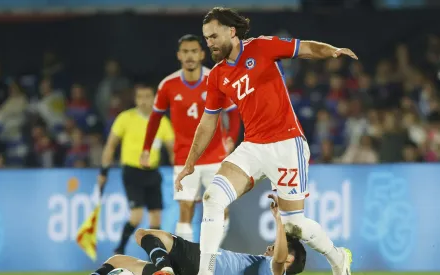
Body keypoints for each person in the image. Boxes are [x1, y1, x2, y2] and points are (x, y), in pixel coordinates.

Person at [174, 7, 357, 275]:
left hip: (286, 145)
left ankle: (337, 257)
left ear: (231, 31)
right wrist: (191, 162)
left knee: (294, 225)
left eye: (213, 36)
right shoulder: (217, 75)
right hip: (253, 147)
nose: (209, 42)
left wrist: (332, 50)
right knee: (213, 197)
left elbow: (304, 48)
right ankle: (205, 272)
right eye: (206, 38)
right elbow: (208, 121)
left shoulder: (262, 47)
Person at [141, 34, 240, 242]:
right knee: (186, 209)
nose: (190, 56)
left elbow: (233, 111)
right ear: (179, 55)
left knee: (220, 207)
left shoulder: (216, 78)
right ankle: (188, 262)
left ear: (202, 54)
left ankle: (211, 254)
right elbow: (155, 118)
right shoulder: (168, 85)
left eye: (194, 51)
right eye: (185, 51)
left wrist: (231, 137)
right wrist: (146, 149)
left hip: (215, 156)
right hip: (184, 157)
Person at [90, 194, 306, 275]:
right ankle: (164, 270)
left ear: (288, 259)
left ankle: (164, 269)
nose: (272, 246)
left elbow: (277, 257)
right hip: (193, 265)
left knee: (144, 234)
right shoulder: (262, 263)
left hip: (203, 262)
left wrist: (278, 219)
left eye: (280, 246)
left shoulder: (275, 271)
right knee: (117, 260)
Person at [98, 85, 175, 255]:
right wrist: (103, 171)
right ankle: (120, 249)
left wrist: (180, 168)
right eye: (140, 96)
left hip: (153, 173)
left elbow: (172, 149)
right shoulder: (125, 118)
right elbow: (111, 145)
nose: (144, 100)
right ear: (135, 99)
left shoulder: (161, 121)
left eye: (147, 96)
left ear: (154, 98)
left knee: (156, 218)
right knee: (137, 216)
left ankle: (156, 257)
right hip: (132, 172)